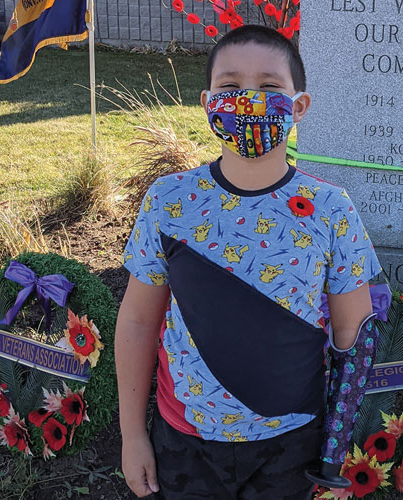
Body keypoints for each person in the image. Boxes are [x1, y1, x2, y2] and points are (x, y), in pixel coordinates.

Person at [115, 25, 382, 499]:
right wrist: (133, 436)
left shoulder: (330, 209)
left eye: (269, 87)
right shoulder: (169, 201)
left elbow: (353, 338)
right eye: (231, 87)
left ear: (298, 106)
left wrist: (336, 446)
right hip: (184, 439)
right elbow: (137, 321)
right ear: (207, 102)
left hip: (291, 444)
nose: (248, 101)